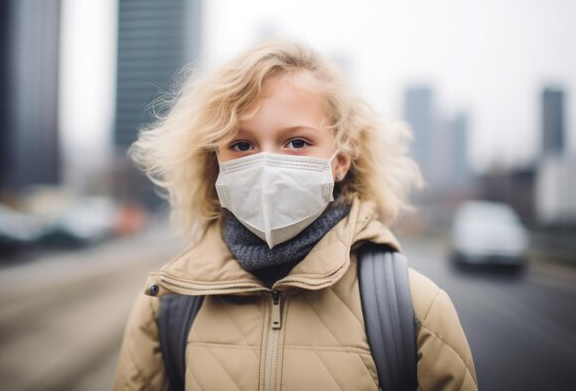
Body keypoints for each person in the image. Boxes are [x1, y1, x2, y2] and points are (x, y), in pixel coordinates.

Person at [113, 40, 478, 391]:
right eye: (242, 145)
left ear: (339, 161)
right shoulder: (167, 305)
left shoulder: (413, 308)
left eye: (297, 142)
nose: (267, 164)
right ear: (216, 162)